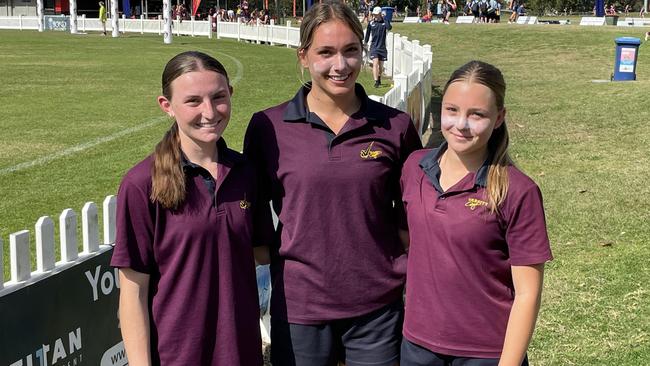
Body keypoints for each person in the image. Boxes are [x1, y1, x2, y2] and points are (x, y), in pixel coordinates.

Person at [243, 2, 423, 365]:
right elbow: (251, 210)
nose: (340, 65)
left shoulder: (396, 126)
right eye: (325, 52)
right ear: (304, 57)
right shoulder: (268, 127)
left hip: (377, 306)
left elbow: (413, 212)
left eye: (351, 51)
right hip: (300, 307)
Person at [111, 51, 273, 365]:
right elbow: (132, 294)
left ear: (231, 95)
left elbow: (265, 254)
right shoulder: (142, 183)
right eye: (193, 101)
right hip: (176, 356)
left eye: (218, 97)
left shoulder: (246, 174)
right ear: (166, 106)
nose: (209, 111)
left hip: (242, 354)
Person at [399, 60, 553, 366]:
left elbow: (527, 295)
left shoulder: (518, 190)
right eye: (452, 110)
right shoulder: (413, 167)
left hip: (486, 352)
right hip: (417, 345)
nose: (461, 125)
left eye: (477, 114)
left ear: (499, 118)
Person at [364, 6, 392, 88]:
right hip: (374, 47)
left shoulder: (384, 23)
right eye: (374, 14)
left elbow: (389, 27)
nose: (375, 16)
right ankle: (376, 81)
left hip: (382, 47)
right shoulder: (371, 23)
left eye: (376, 14)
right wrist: (365, 43)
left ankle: (379, 78)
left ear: (380, 14)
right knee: (375, 63)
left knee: (381, 67)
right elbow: (368, 34)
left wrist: (385, 18)